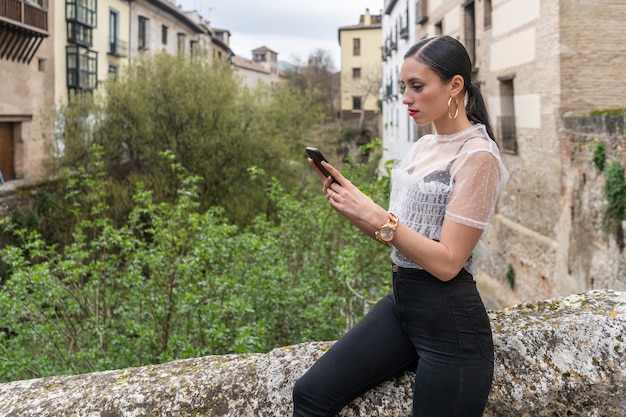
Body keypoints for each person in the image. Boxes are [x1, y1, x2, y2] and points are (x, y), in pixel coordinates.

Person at [292, 35, 509, 417]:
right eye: (403, 87)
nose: (406, 98)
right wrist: (355, 209)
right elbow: (396, 238)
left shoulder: (478, 155)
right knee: (310, 395)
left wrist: (376, 214)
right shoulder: (422, 148)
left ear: (455, 85)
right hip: (403, 304)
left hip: (451, 325)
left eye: (417, 86)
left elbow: (446, 263)